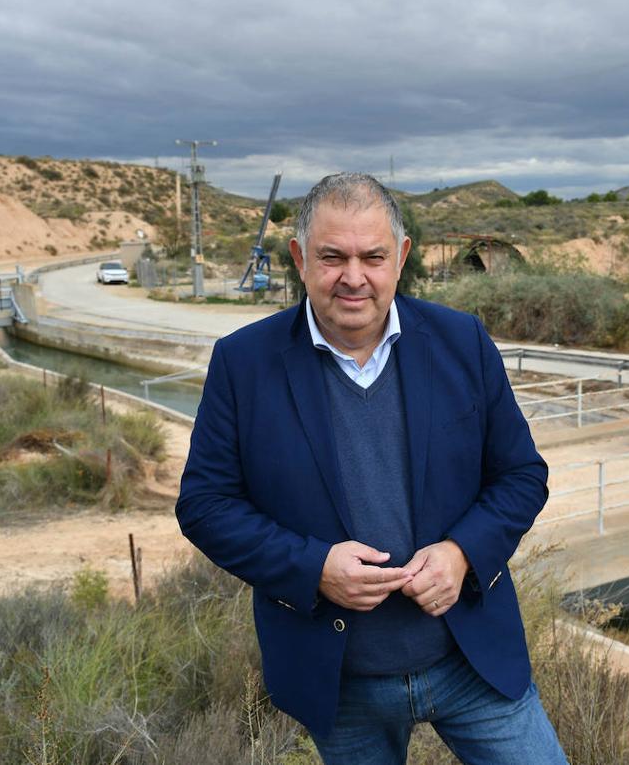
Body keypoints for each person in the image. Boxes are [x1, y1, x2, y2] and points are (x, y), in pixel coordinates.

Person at [176, 173, 566, 764]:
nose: (353, 277)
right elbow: (205, 507)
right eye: (333, 257)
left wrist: (461, 553)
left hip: (473, 663)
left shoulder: (462, 341)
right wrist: (313, 567)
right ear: (300, 258)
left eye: (373, 257)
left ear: (401, 257)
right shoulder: (243, 362)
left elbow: (521, 475)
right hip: (340, 685)